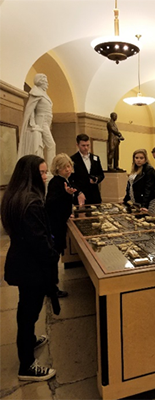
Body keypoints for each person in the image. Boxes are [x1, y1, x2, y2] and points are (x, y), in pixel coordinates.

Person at [0, 155, 59, 381]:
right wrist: (53, 255)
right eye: (42, 173)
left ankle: (30, 340)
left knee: (27, 309)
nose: (45, 177)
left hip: (22, 262)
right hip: (31, 267)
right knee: (28, 312)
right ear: (31, 174)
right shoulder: (31, 202)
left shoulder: (15, 196)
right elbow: (39, 241)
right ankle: (27, 365)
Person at [46, 153, 77, 298]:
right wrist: (65, 194)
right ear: (58, 169)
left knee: (56, 253)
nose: (68, 170)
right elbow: (51, 203)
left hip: (60, 222)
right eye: (65, 167)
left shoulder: (64, 181)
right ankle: (51, 287)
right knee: (54, 255)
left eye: (69, 166)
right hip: (55, 225)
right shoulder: (56, 182)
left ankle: (52, 284)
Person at [18, 73, 56, 168]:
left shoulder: (44, 94)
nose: (47, 84)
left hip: (46, 121)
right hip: (41, 121)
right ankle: (51, 169)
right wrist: (33, 123)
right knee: (51, 144)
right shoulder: (35, 92)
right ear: (41, 82)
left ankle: (43, 167)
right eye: (45, 82)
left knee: (42, 146)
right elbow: (30, 110)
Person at [70, 133, 105, 205]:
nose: (86, 148)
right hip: (81, 195)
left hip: (95, 195)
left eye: (87, 145)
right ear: (77, 145)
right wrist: (78, 192)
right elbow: (71, 180)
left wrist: (96, 179)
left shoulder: (95, 158)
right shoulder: (72, 159)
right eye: (83, 145)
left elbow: (101, 174)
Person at [123, 149, 155, 213]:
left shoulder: (149, 170)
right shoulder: (134, 169)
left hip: (146, 202)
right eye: (136, 158)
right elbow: (130, 186)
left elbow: (148, 188)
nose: (138, 160)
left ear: (145, 159)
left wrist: (144, 205)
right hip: (136, 201)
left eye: (141, 158)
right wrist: (125, 200)